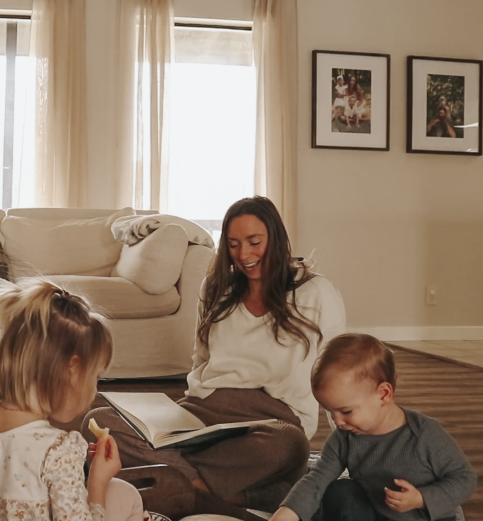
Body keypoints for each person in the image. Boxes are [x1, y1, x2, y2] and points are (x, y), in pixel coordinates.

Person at [82, 196, 346, 515]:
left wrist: (354, 445)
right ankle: (206, 492)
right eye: (233, 244)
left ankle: (170, 482)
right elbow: (201, 360)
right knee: (98, 421)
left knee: (291, 445)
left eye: (254, 242)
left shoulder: (316, 292)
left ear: (276, 239)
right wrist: (168, 421)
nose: (243, 255)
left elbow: (338, 372)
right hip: (201, 416)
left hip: (272, 423)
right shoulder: (215, 288)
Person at [0, 279, 144, 521]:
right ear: (71, 368)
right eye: (95, 377)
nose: (94, 391)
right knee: (128, 495)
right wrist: (97, 482)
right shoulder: (59, 451)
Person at [269, 334, 476, 521]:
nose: (337, 422)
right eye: (330, 412)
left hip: (429, 518)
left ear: (383, 394)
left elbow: (464, 479)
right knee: (340, 491)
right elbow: (316, 479)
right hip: (379, 513)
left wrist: (421, 498)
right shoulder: (344, 438)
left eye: (346, 411)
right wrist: (286, 513)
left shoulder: (425, 434)